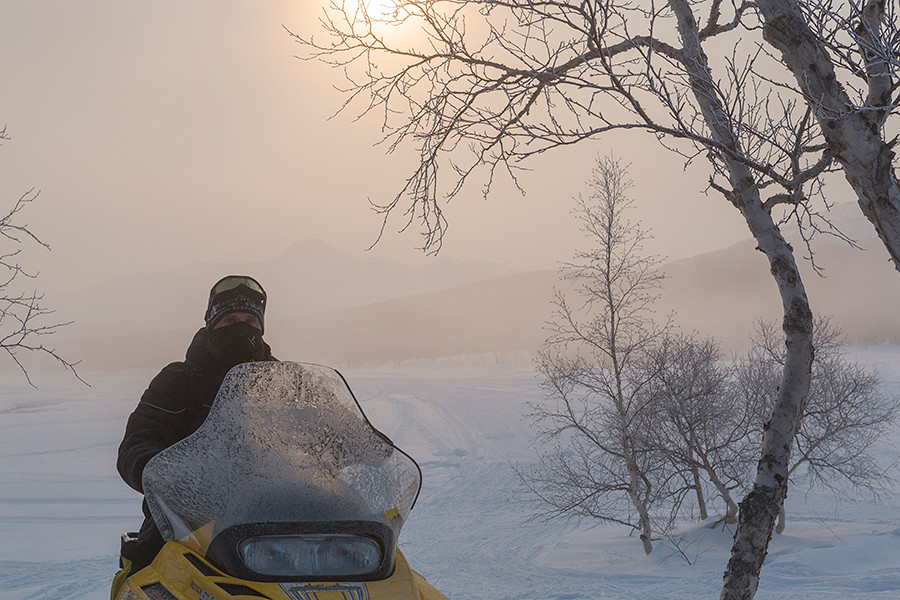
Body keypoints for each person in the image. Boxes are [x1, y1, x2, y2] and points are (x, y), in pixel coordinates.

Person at [112, 275, 275, 593]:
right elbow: (138, 440)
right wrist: (165, 475)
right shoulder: (178, 382)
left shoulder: (281, 383)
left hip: (274, 523)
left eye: (249, 321)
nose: (240, 328)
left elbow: (327, 434)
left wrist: (372, 457)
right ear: (212, 324)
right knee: (152, 579)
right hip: (183, 523)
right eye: (229, 320)